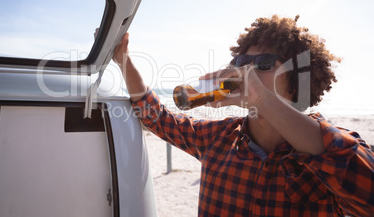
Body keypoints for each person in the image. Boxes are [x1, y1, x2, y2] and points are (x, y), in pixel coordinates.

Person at [113, 15, 374, 216]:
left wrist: (264, 100)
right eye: (240, 63)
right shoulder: (217, 137)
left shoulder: (331, 148)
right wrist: (124, 61)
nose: (246, 71)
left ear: (295, 82)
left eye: (263, 64)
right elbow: (157, 118)